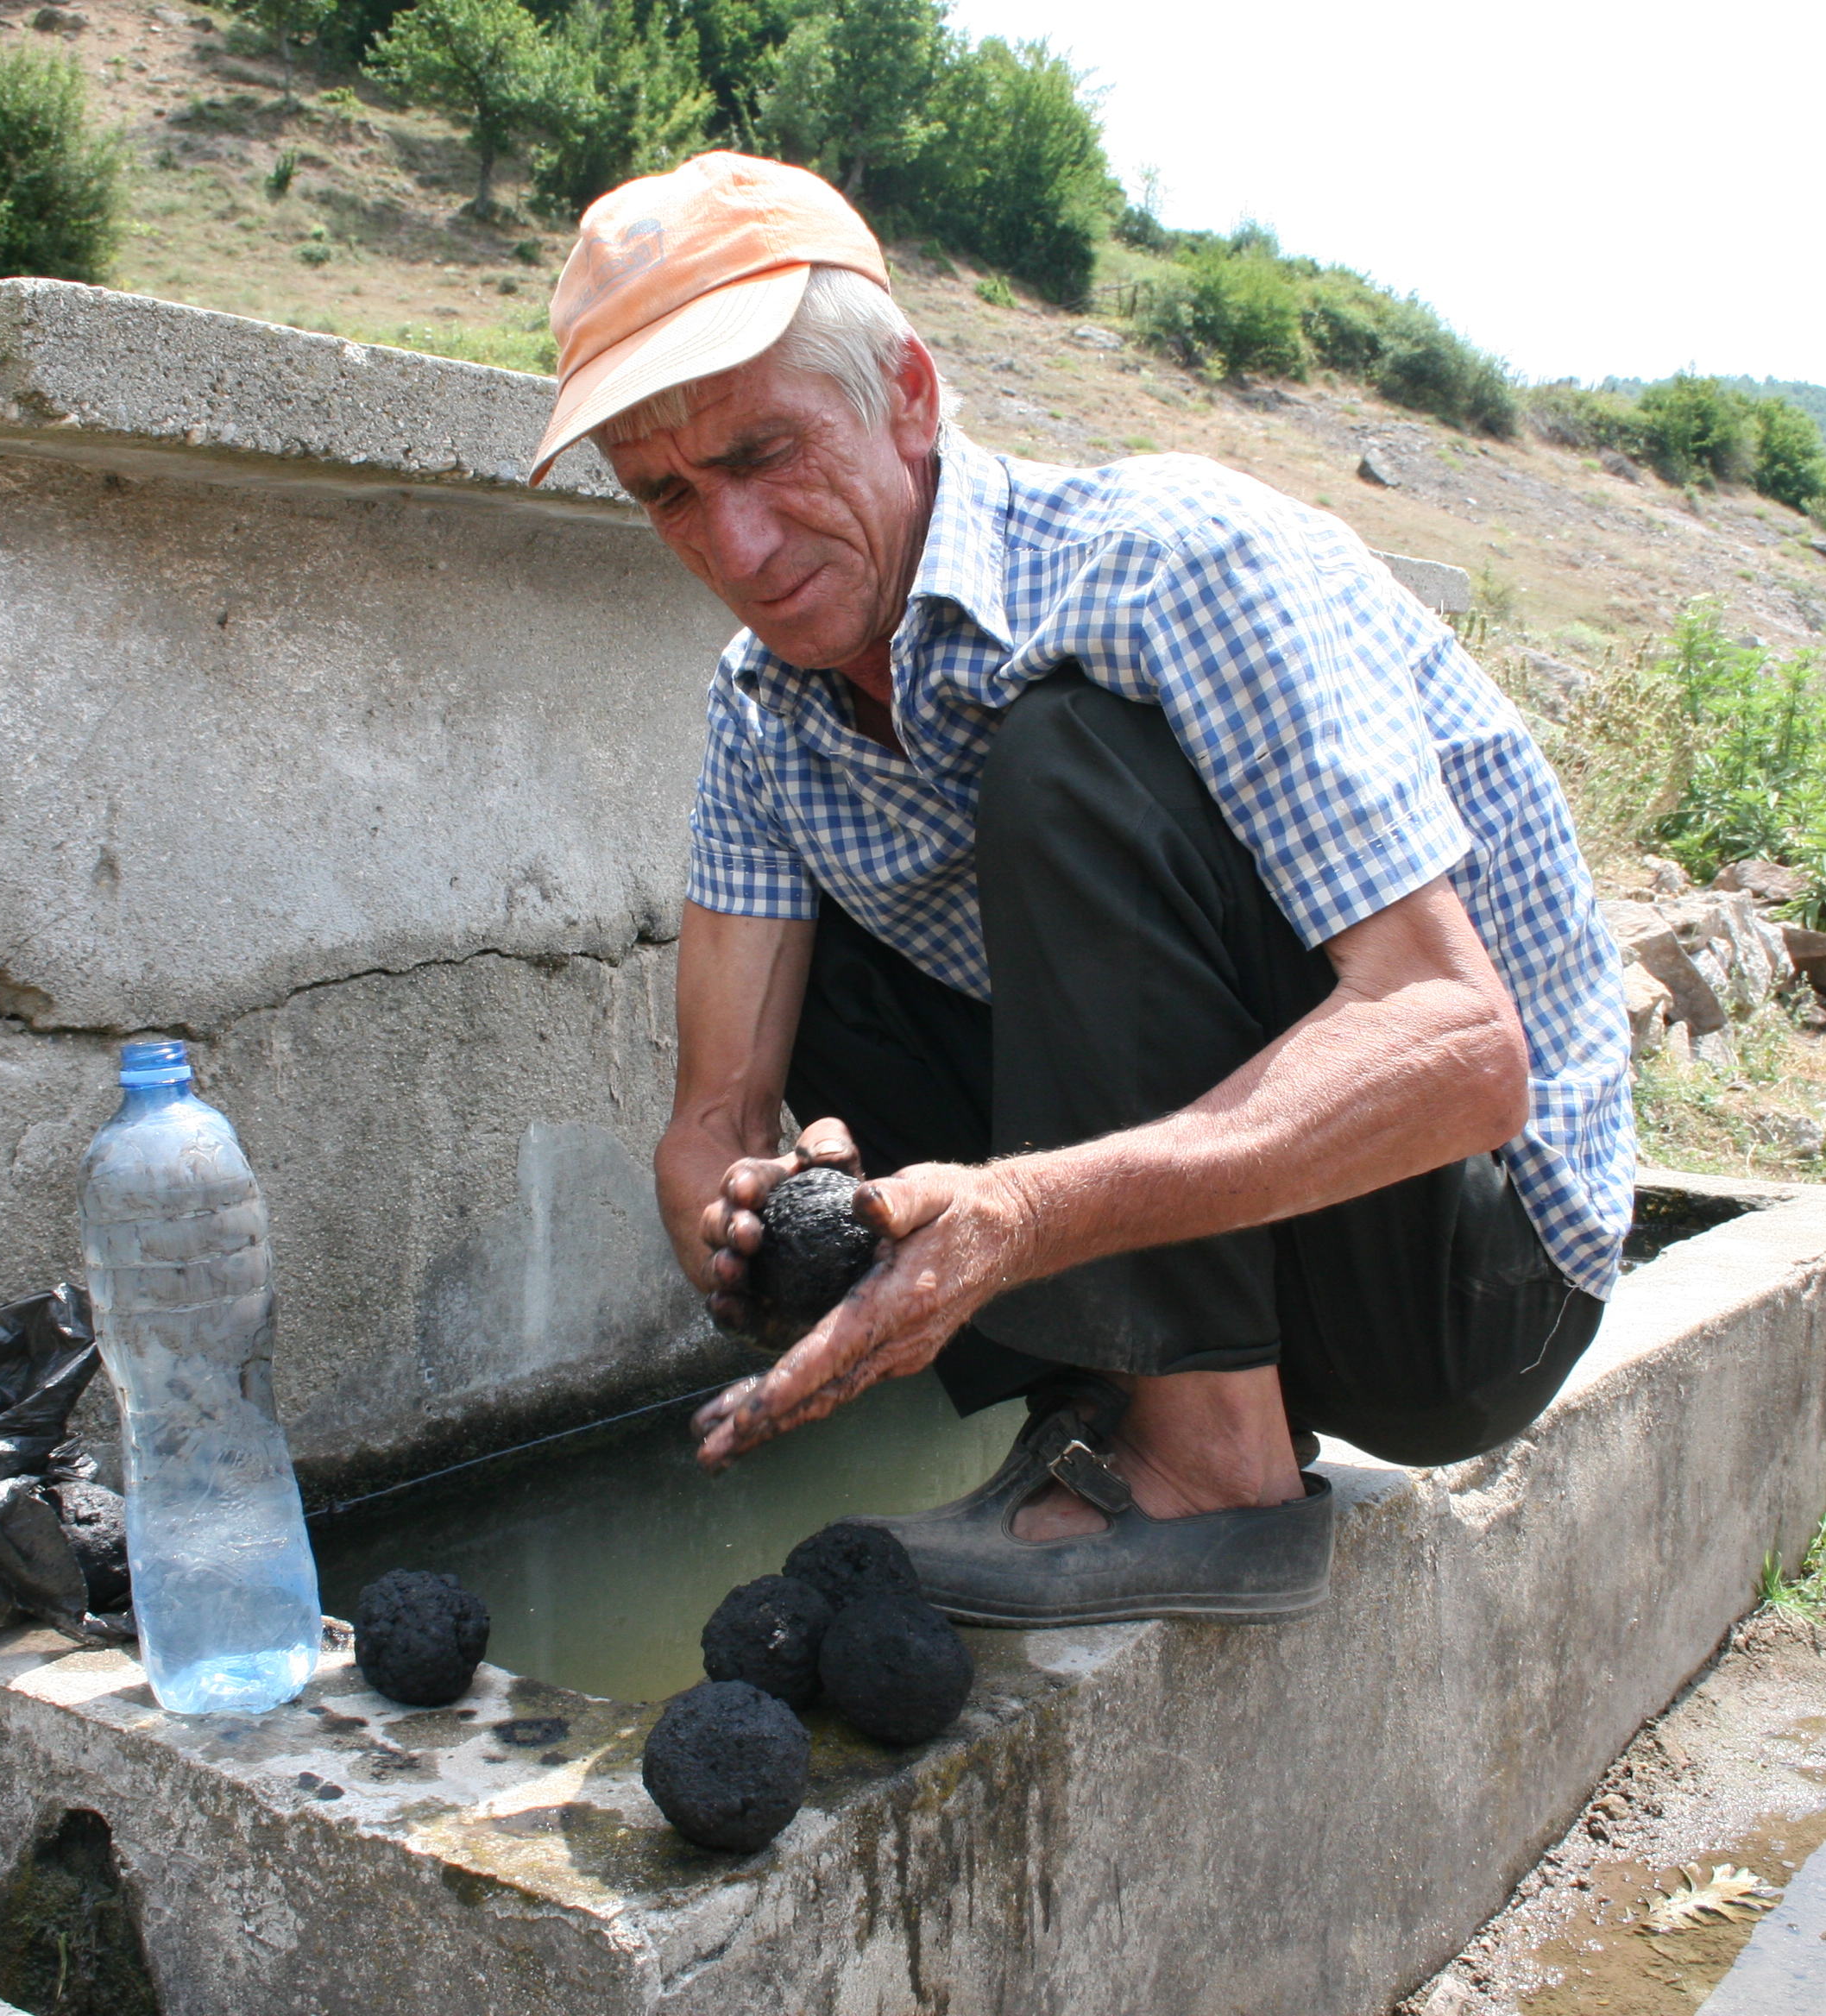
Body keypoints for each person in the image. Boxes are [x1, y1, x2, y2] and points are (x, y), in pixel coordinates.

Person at [526, 153, 1634, 1628]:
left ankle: (1211, 1468)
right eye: (667, 494)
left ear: (908, 395)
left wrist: (1021, 1215)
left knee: (1053, 756)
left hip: (1463, 1286)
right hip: (1262, 1254)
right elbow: (713, 1124)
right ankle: (1130, 1412)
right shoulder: (764, 709)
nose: (734, 548)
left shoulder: (1170, 564)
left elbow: (1459, 1049)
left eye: (763, 455)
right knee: (861, 911)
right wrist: (754, 1230)